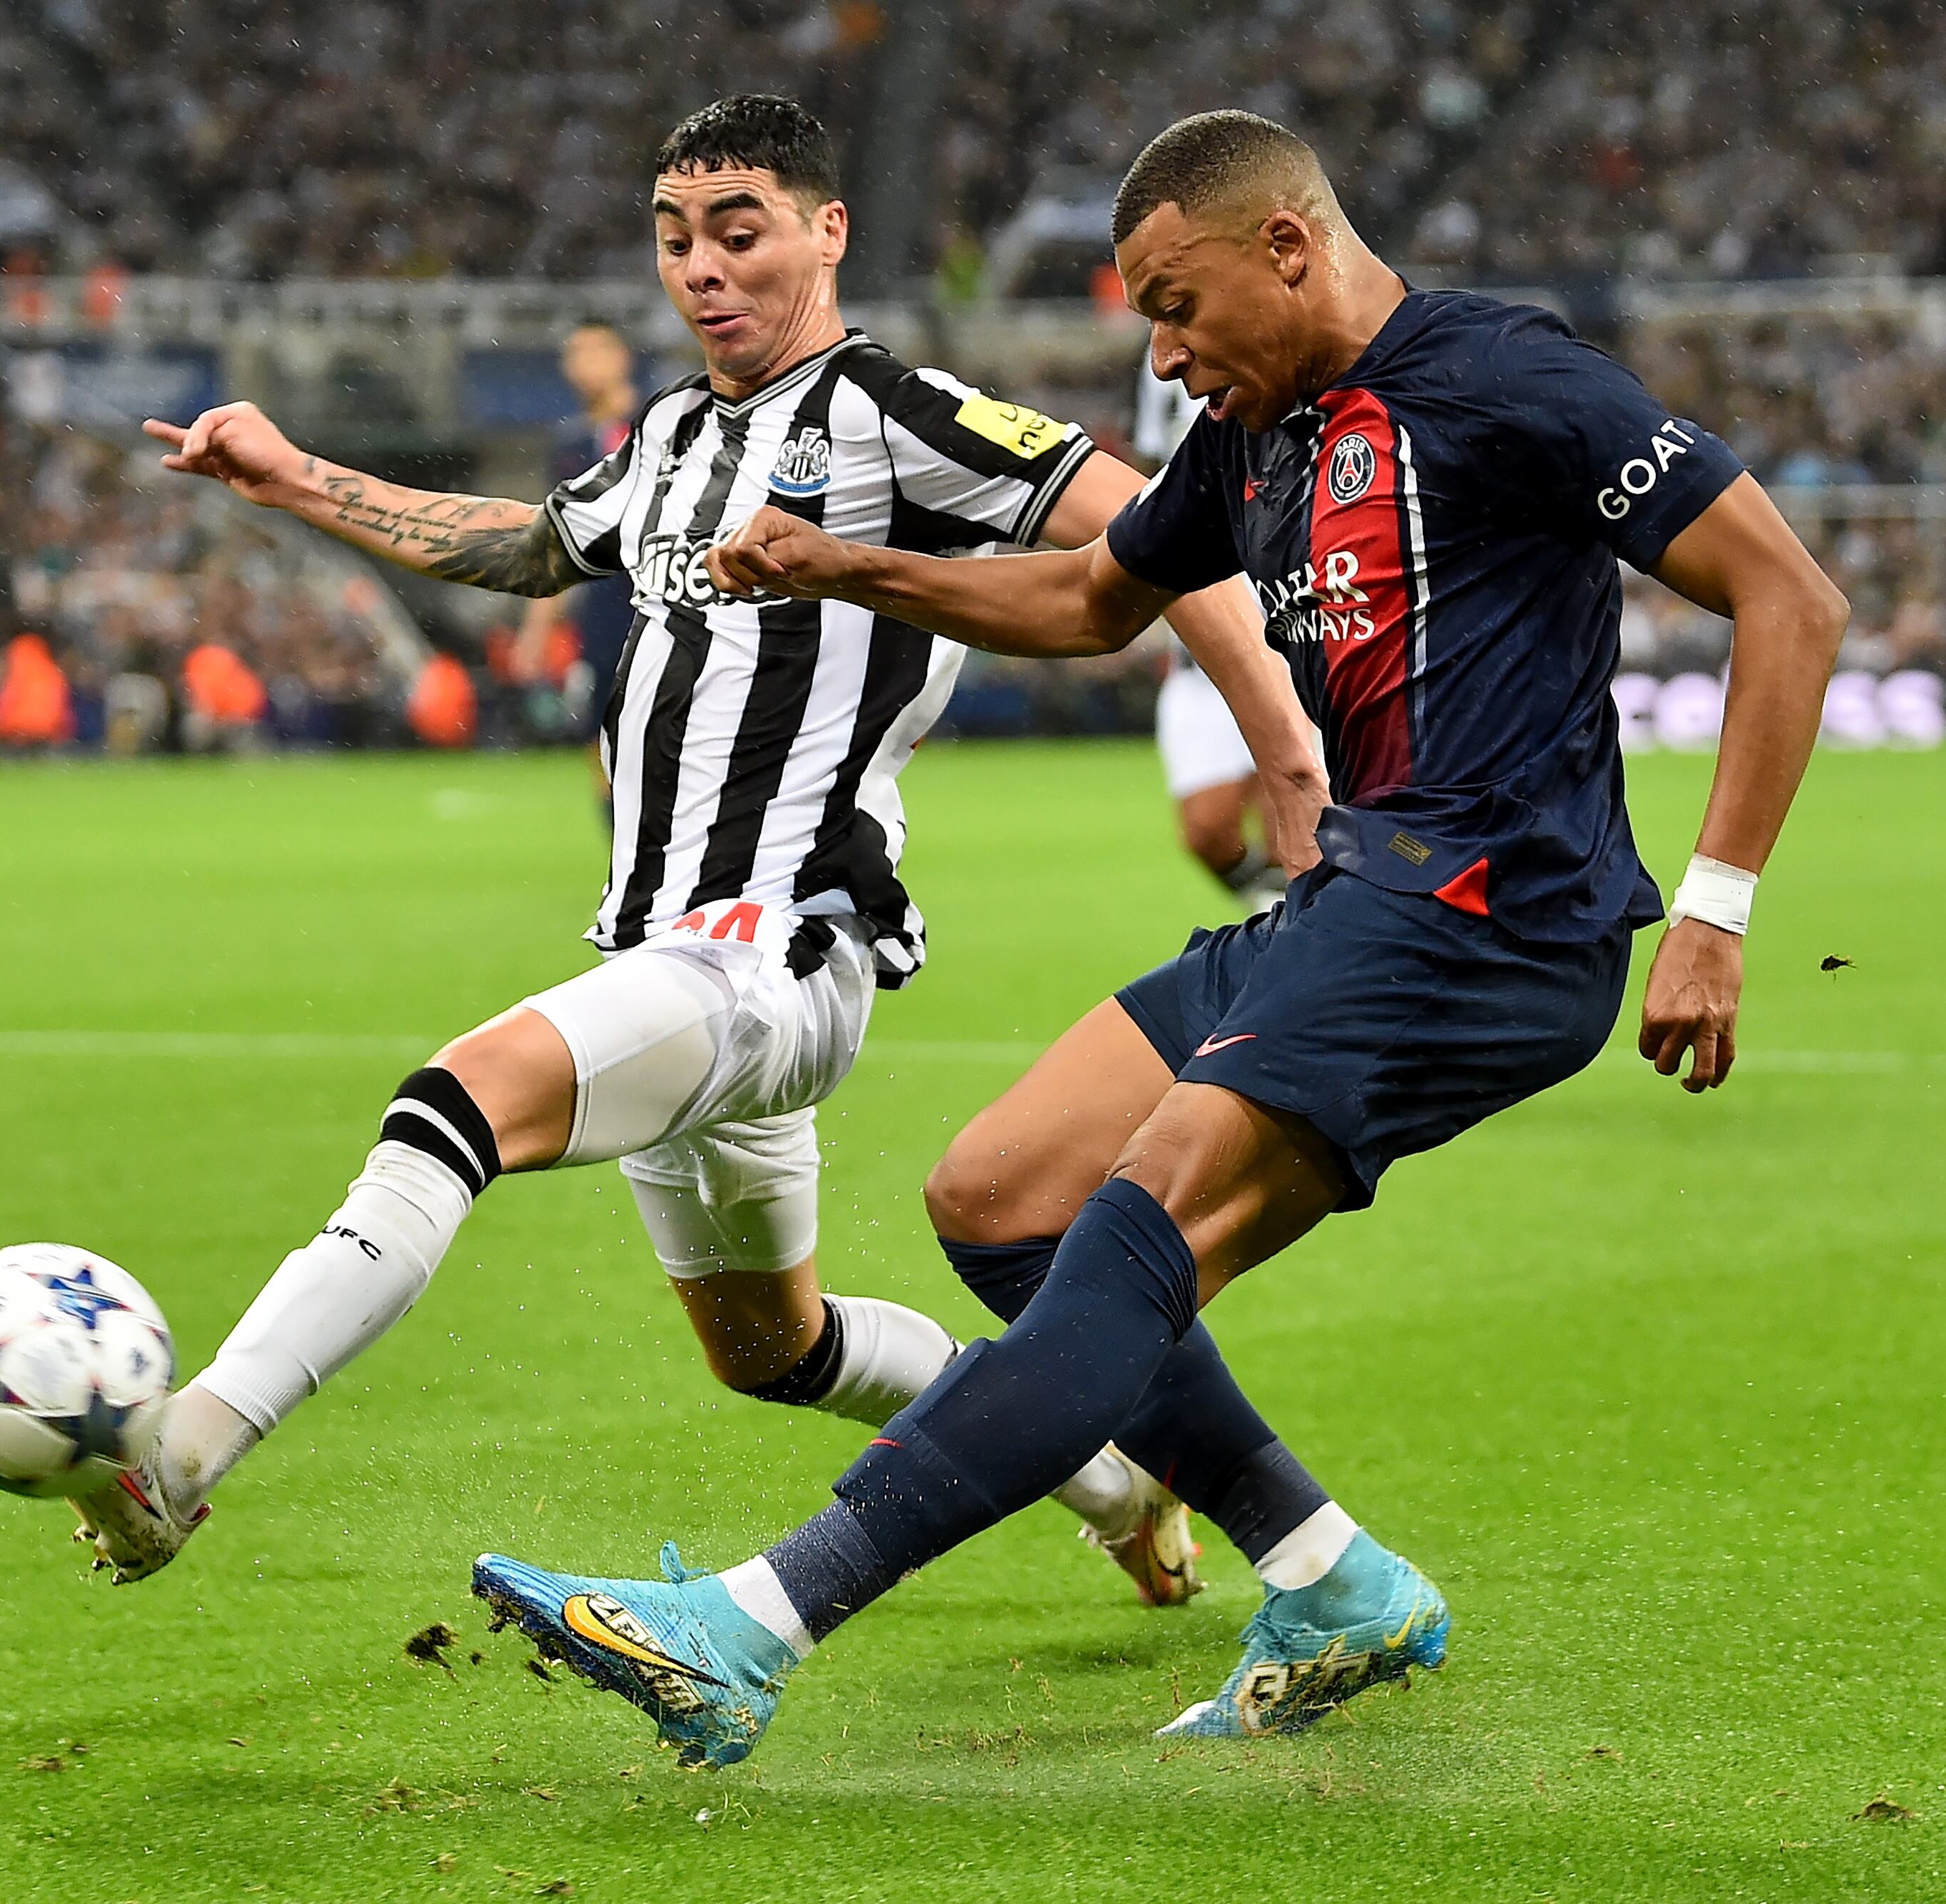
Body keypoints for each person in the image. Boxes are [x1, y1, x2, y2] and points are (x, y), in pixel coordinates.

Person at [469, 109, 1849, 1766]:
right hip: (1357, 893)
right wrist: (847, 563)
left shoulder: (1504, 380)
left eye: (1177, 307)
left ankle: (756, 1621)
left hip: (1492, 912)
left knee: (1136, 1228)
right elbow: (1082, 599)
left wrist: (1712, 908)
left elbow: (1789, 596)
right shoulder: (1256, 439)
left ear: (1287, 245)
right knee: (1000, 1200)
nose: (1166, 355)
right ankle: (1328, 1574)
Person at [78, 97, 1322, 1609]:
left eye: (739, 231)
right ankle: (1116, 1485)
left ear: (824, 232)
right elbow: (528, 544)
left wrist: (1285, 756)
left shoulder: (892, 415)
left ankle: (186, 1451)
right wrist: (288, 476)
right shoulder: (669, 435)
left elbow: (1160, 533)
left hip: (775, 948)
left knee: (452, 1106)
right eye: (674, 239)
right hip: (668, 960)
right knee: (772, 1353)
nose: (701, 269)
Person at [1136, 351, 1289, 911]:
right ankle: (1276, 916)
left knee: (1294, 828)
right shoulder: (1164, 360)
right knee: (1206, 832)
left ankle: (1290, 935)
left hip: (1288, 638)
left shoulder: (1283, 350)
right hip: (1198, 661)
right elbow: (1151, 465)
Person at [511, 321, 644, 817]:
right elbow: (558, 543)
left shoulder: (660, 426)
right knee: (606, 736)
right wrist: (536, 631)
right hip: (604, 615)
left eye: (594, 350)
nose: (582, 364)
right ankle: (627, 865)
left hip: (668, 602)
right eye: (574, 353)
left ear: (621, 357)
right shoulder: (570, 445)